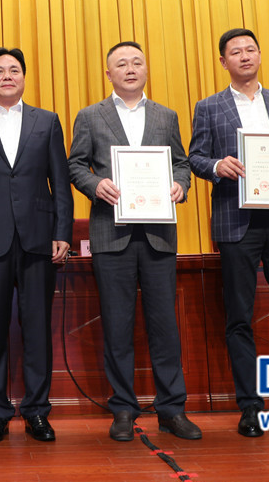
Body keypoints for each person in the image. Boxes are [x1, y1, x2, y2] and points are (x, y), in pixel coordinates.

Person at [188, 28, 269, 438]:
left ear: (260, 55)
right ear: (223, 61)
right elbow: (195, 157)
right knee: (239, 317)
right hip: (237, 222)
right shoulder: (208, 107)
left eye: (251, 49)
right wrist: (217, 166)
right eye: (236, 52)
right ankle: (250, 406)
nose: (245, 56)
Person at [67, 41, 201, 442]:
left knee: (165, 327)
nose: (130, 69)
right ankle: (123, 409)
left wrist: (180, 185)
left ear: (146, 69)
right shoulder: (90, 116)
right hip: (112, 235)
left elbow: (181, 163)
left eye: (137, 62)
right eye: (121, 64)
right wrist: (95, 185)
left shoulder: (166, 115)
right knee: (117, 325)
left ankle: (172, 410)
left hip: (159, 234)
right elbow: (75, 165)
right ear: (108, 73)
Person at [0, 47, 73, 444]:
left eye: (14, 70)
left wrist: (63, 232)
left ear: (23, 77)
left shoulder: (47, 121)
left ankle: (37, 411)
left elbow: (60, 182)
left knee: (37, 329)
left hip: (39, 239)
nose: (7, 76)